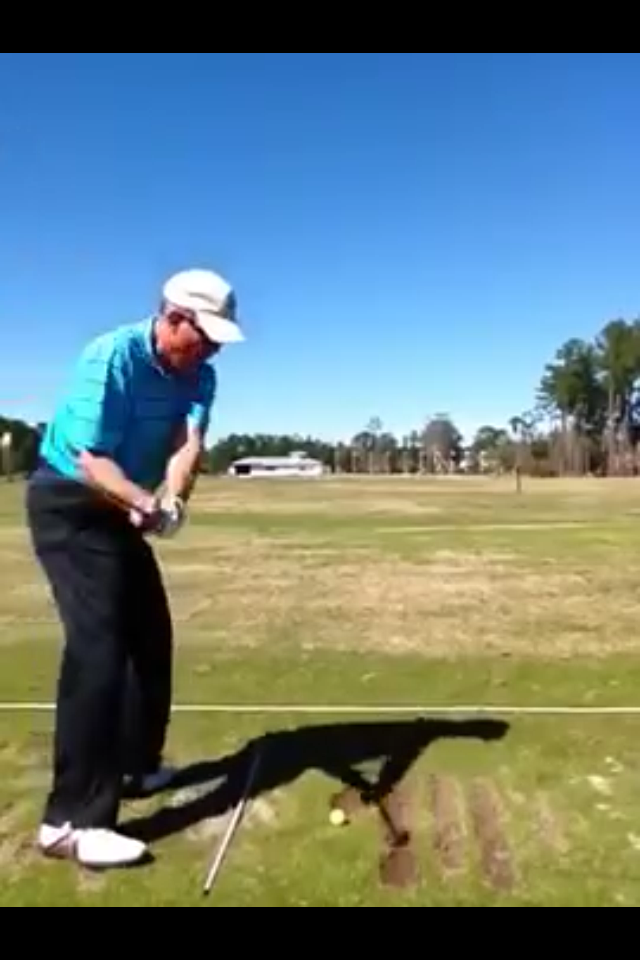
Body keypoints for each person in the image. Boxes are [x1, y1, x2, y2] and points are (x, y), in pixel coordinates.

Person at [25, 268, 245, 869]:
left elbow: (186, 443)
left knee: (151, 637)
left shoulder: (200, 374)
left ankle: (134, 766)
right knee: (98, 647)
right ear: (173, 318)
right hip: (70, 504)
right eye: (205, 337)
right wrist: (143, 502)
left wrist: (175, 501)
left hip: (123, 509)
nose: (213, 350)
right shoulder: (110, 358)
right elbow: (91, 460)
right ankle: (70, 823)